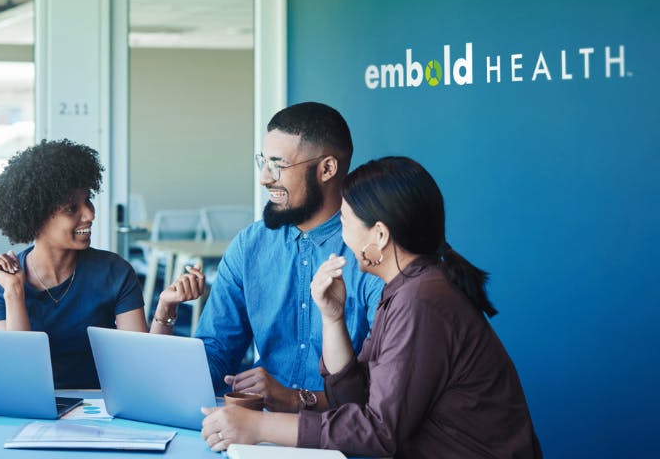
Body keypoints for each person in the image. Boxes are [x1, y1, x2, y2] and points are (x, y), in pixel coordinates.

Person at [201, 156, 543, 458]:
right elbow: (354, 401)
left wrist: (260, 426)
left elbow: (378, 432)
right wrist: (333, 317)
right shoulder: (408, 288)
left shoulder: (421, 300)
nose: (342, 235)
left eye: (346, 222)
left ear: (379, 235)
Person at [193, 102, 384, 412]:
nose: (265, 178)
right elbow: (216, 350)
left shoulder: (373, 252)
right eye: (263, 162)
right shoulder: (249, 245)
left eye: (278, 165)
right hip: (259, 429)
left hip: (346, 440)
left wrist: (295, 399)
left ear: (327, 169)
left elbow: (383, 388)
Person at [0, 139, 203, 390]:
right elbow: (18, 374)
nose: (89, 214)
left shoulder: (114, 272)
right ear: (36, 216)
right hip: (33, 406)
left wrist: (165, 308)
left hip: (102, 409)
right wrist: (15, 293)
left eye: (88, 200)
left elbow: (142, 368)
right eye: (72, 207)